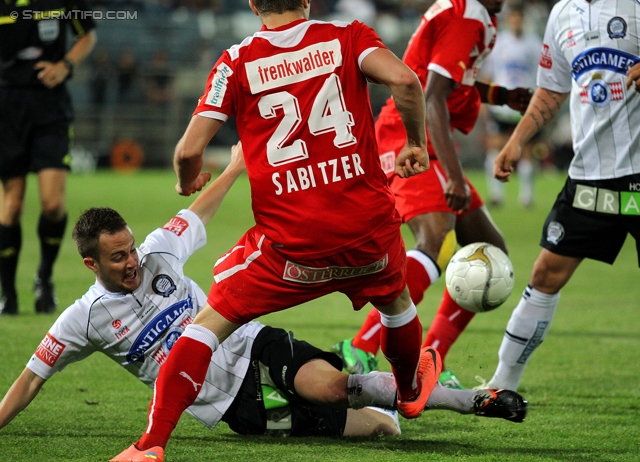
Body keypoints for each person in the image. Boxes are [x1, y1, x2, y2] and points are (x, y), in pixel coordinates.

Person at [0, 145, 528, 462]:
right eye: (117, 259)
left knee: (334, 386)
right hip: (235, 405)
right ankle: (408, 394)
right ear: (92, 264)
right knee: (382, 427)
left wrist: (232, 168)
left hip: (253, 344)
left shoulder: (158, 252)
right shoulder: (83, 320)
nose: (133, 262)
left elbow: (199, 214)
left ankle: (476, 401)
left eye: (131, 248)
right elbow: (29, 380)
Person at [112, 0, 438, 459]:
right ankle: (407, 390)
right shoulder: (347, 37)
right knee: (396, 301)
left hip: (291, 248)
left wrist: (189, 180)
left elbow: (189, 150)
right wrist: (416, 142)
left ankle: (150, 445)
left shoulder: (237, 61)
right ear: (306, 0)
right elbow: (405, 80)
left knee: (204, 328)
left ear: (252, 4)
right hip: (366, 232)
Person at [331, 0, 531, 389]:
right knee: (436, 241)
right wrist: (455, 179)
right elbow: (434, 94)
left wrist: (499, 96)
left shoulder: (473, 13)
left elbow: (447, 80)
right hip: (409, 137)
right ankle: (360, 346)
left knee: (491, 251)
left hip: (425, 141)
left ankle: (431, 358)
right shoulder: (467, 16)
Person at [486, 0, 640, 392]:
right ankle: (500, 385)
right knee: (543, 275)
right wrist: (517, 141)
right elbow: (552, 90)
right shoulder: (561, 14)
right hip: (590, 176)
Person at [0, 0, 97, 315]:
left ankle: (44, 277)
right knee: (11, 205)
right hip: (6, 108)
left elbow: (87, 35)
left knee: (52, 204)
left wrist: (65, 65)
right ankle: (7, 293)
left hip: (50, 108)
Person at [480, 3, 543, 208]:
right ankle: (496, 195)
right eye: (513, 17)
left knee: (526, 151)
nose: (516, 21)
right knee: (495, 147)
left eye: (519, 17)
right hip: (500, 105)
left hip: (525, 105)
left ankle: (526, 197)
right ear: (509, 19)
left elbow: (540, 76)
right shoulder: (498, 43)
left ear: (523, 19)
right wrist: (484, 103)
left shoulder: (534, 44)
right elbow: (489, 74)